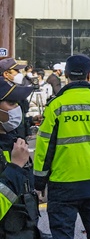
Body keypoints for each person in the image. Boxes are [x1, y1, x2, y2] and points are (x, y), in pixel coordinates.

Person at [34, 54, 90, 239]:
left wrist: (39, 181)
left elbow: (44, 147)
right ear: (89, 76)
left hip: (63, 182)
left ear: (66, 75)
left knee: (63, 233)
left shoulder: (56, 106)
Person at [0, 78, 52, 239]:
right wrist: (15, 167)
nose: (17, 108)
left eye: (18, 102)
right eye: (11, 102)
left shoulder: (12, 142)